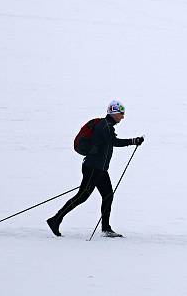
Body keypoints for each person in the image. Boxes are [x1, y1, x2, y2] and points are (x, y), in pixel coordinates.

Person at [47, 100, 144, 238]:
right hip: (93, 168)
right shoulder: (105, 127)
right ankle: (55, 219)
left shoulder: (106, 126)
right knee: (82, 196)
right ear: (114, 113)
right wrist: (133, 141)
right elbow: (113, 142)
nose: (123, 117)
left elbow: (110, 142)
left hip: (100, 169)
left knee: (108, 195)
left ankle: (106, 228)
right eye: (121, 114)